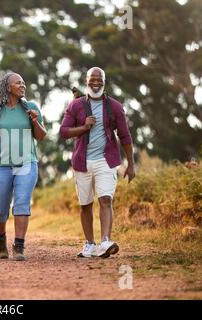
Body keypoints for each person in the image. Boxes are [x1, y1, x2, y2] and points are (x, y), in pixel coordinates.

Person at [59, 67, 135, 258]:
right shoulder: (75, 106)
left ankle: (105, 241)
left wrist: (131, 165)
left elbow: (125, 136)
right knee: (85, 205)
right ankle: (90, 244)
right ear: (86, 82)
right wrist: (84, 127)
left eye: (99, 79)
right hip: (82, 162)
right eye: (92, 79)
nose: (96, 82)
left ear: (104, 81)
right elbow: (64, 132)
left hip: (106, 161)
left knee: (106, 200)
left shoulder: (115, 107)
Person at [0, 72, 47, 261]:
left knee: (21, 203)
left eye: (23, 82)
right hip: (1, 165)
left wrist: (35, 121)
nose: (23, 85)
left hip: (27, 163)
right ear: (8, 87)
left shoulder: (31, 107)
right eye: (18, 83)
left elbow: (41, 136)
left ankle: (19, 246)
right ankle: (1, 241)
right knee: (0, 208)